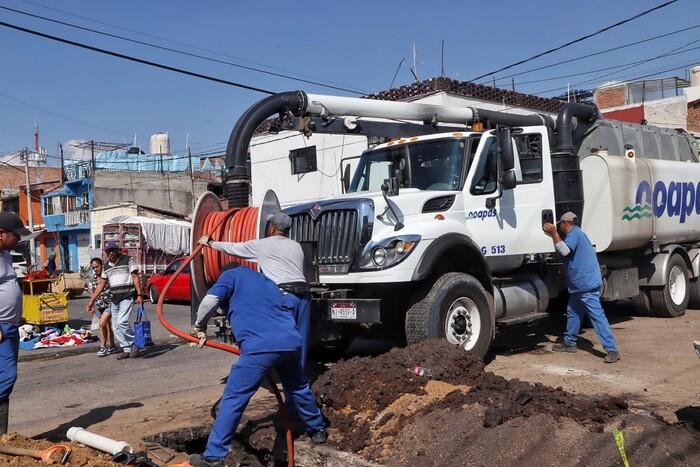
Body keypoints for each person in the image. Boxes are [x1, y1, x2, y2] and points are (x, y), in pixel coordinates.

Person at [188, 264, 327, 467]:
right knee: (298, 387)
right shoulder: (267, 281)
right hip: (290, 341)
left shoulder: (231, 276)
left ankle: (214, 456)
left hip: (260, 347)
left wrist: (199, 326)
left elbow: (210, 300)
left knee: (234, 398)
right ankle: (318, 429)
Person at [198, 212, 310, 365]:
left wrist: (211, 243)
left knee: (281, 342)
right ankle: (298, 382)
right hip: (304, 299)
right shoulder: (296, 246)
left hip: (284, 298)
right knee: (299, 343)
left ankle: (279, 376)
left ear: (272, 228)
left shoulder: (262, 245)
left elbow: (233, 248)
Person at [543, 211, 620, 363]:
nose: (560, 228)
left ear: (565, 224)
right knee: (573, 312)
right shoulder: (578, 233)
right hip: (581, 284)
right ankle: (570, 342)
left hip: (585, 284)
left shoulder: (574, 234)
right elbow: (575, 256)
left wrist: (553, 233)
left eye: (560, 225)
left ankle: (612, 349)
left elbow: (564, 250)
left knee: (597, 316)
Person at [86, 241, 144, 360]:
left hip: (127, 296)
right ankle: (126, 348)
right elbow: (101, 284)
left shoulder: (128, 260)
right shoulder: (106, 267)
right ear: (106, 253)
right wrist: (91, 301)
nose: (111, 253)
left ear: (117, 250)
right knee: (116, 327)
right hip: (115, 299)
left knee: (122, 321)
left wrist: (139, 294)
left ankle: (136, 343)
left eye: (113, 250)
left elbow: (134, 277)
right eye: (108, 251)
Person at [0, 212, 30, 434]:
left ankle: (2, 437)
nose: (18, 240)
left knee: (5, 379)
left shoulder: (6, 255)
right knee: (6, 376)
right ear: (1, 234)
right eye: (15, 235)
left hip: (9, 325)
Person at [88, 258, 118, 357]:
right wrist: (91, 304)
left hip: (109, 304)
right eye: (93, 268)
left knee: (101, 324)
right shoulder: (92, 279)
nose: (96, 269)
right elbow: (92, 292)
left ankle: (103, 347)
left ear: (101, 265)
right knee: (107, 326)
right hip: (99, 305)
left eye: (97, 266)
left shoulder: (107, 276)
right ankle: (113, 346)